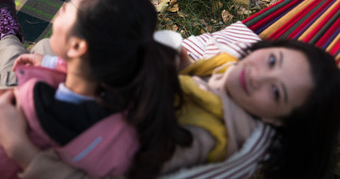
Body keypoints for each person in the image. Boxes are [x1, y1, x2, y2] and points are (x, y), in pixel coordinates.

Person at [0, 15, 339, 179]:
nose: (260, 75)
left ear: (276, 119)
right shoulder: (226, 69)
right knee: (45, 51)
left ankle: (6, 30)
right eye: (271, 59)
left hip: (49, 144)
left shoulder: (206, 135)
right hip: (73, 107)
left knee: (19, 65)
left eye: (276, 91)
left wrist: (21, 148)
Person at [0, 0, 190, 179]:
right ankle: (7, 36)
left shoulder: (41, 110)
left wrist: (16, 145)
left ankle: (6, 36)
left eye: (67, 8)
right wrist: (50, 62)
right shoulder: (125, 88)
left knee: (27, 53)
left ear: (76, 46)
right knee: (44, 47)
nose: (62, 6)